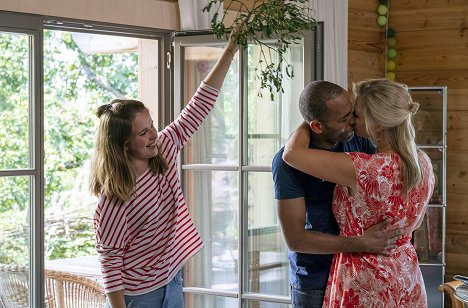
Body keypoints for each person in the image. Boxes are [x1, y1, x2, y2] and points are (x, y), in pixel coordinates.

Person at [89, 35, 238, 307]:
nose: (154, 135)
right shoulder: (113, 201)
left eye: (152, 126)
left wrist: (230, 49)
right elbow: (110, 265)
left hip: (172, 279)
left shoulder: (165, 149)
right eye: (143, 132)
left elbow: (199, 106)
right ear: (122, 145)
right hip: (140, 295)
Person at [282, 78, 435, 307]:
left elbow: (292, 153)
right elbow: (417, 222)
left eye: (357, 114)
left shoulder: (366, 168)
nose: (353, 121)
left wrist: (310, 119)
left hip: (366, 279)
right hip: (406, 273)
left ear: (379, 124)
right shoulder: (422, 161)